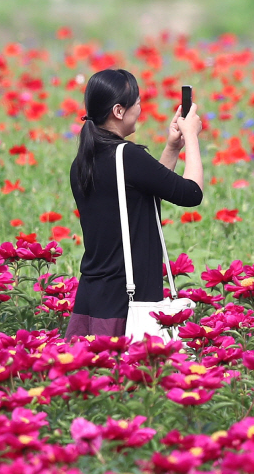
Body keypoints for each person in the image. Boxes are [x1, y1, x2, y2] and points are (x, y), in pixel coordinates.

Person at [64, 68, 203, 339]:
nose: (140, 108)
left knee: (91, 377)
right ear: (118, 110)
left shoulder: (83, 161)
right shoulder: (126, 156)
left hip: (92, 297)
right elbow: (191, 193)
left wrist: (173, 147)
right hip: (126, 301)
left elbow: (148, 192)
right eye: (137, 102)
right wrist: (193, 137)